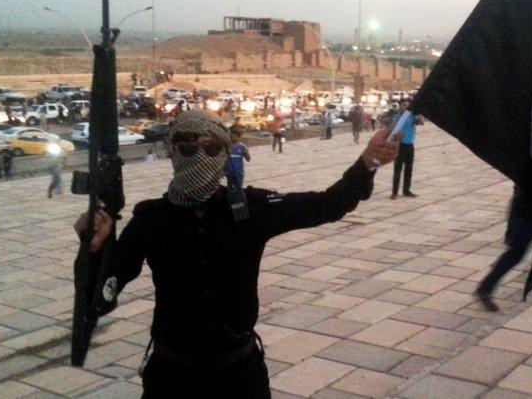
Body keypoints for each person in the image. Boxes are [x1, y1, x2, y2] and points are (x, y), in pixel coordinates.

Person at [73, 111, 400, 396]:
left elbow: (329, 204)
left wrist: (369, 161)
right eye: (187, 146)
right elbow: (101, 297)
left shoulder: (249, 210)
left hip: (238, 375)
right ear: (171, 150)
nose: (199, 156)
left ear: (223, 153)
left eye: (211, 148)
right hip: (173, 377)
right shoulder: (151, 220)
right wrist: (93, 251)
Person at [391, 100, 420, 199]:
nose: (406, 106)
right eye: (404, 105)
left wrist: (418, 112)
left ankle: (406, 190)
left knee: (409, 169)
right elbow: (391, 130)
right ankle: (394, 192)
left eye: (408, 105)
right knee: (397, 169)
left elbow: (421, 122)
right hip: (399, 146)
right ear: (400, 106)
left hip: (409, 146)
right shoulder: (397, 117)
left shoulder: (412, 116)